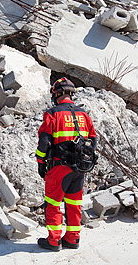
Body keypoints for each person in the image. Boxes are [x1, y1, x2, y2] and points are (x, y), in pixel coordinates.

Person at [35, 77, 97, 251]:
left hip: (59, 167)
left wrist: (41, 163)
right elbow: (93, 140)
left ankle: (54, 241)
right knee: (74, 204)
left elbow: (43, 143)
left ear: (57, 94)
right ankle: (72, 239)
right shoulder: (84, 115)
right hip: (79, 169)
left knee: (53, 204)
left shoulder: (53, 113)